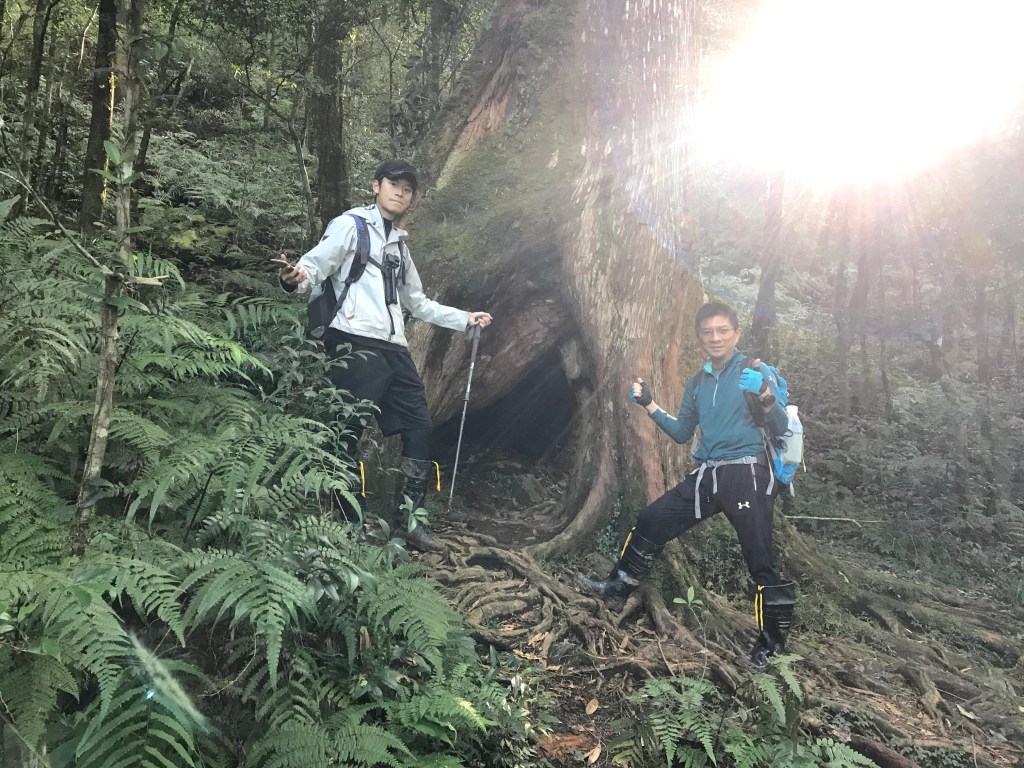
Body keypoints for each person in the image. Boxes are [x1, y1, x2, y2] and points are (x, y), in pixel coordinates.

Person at [277, 160, 492, 552]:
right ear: (377, 186)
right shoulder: (351, 226)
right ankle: (351, 521)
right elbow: (314, 265)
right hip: (354, 340)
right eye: (394, 184)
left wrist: (465, 319)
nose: (401, 193)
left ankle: (411, 522)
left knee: (419, 429)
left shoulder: (399, 246)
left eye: (407, 189)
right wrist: (295, 278)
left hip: (395, 347)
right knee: (348, 432)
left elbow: (418, 303)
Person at [578, 301, 796, 670]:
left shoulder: (754, 370)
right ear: (699, 337)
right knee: (652, 520)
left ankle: (770, 649)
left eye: (723, 330)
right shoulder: (696, 384)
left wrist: (765, 394)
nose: (715, 337)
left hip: (747, 474)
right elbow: (681, 432)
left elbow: (779, 425)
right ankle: (618, 587)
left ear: (736, 333)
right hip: (708, 475)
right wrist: (649, 405)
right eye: (708, 332)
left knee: (761, 561)